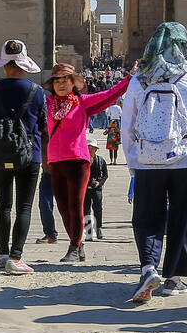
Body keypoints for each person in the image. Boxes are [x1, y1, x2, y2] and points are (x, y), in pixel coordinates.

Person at [122, 22, 187, 303]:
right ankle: (174, 279)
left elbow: (127, 124)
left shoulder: (139, 79)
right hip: (185, 159)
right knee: (181, 218)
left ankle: (149, 266)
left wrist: (133, 162)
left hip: (147, 160)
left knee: (146, 218)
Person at [44, 62, 131, 262]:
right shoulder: (48, 104)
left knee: (76, 205)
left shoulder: (81, 102)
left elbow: (109, 95)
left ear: (73, 82)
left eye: (65, 80)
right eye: (57, 81)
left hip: (78, 160)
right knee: (62, 207)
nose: (61, 84)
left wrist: (129, 80)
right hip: (56, 161)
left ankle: (74, 247)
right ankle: (79, 244)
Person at [0, 39, 47, 274]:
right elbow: (43, 127)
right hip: (30, 153)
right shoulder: (37, 92)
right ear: (23, 64)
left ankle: (2, 254)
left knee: (3, 205)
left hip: (0, 153)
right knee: (24, 206)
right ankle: (16, 257)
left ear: (4, 64)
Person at [85, 142, 108, 239]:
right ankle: (88, 231)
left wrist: (100, 183)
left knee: (98, 209)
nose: (90, 150)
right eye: (88, 148)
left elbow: (105, 174)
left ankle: (98, 228)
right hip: (85, 188)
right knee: (86, 210)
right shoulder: (82, 160)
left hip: (97, 188)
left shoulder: (101, 160)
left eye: (92, 148)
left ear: (96, 149)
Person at [34, 163, 59, 245]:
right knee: (45, 205)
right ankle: (50, 234)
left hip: (57, 173)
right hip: (48, 174)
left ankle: (51, 234)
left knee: (45, 204)